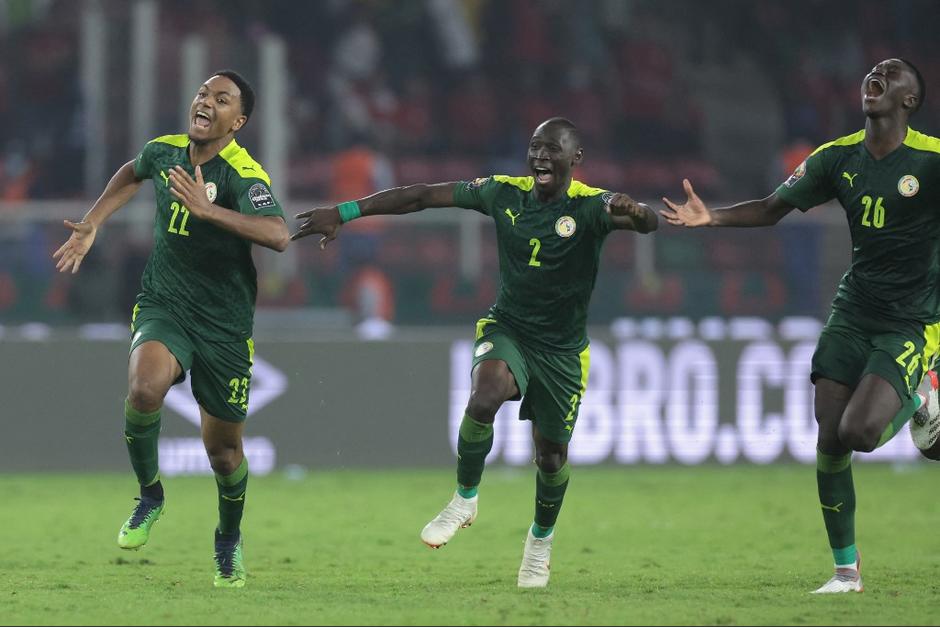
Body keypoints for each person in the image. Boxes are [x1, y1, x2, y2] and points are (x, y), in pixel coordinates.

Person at [293, 117, 658, 588]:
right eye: (534, 147)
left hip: (563, 350)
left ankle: (539, 543)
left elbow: (646, 223)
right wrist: (344, 212)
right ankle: (465, 499)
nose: (541, 156)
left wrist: (637, 209)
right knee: (484, 397)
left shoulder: (591, 206)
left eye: (553, 149)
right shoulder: (503, 192)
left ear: (576, 159)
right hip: (508, 327)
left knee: (550, 457)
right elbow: (422, 196)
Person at [660, 58, 940, 594]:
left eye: (892, 72)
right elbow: (771, 208)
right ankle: (845, 571)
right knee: (830, 435)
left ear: (909, 100)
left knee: (860, 432)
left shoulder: (930, 160)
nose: (876, 73)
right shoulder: (837, 157)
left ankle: (925, 388)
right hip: (854, 309)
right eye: (873, 70)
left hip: (911, 319)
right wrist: (711, 216)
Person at [53, 70, 289, 588]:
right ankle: (150, 495)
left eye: (221, 99)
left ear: (238, 121)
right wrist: (95, 219)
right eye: (204, 93)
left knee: (223, 454)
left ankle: (228, 541)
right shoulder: (165, 151)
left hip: (224, 326)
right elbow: (131, 172)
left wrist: (209, 211)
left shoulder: (243, 174)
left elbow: (278, 234)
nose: (206, 101)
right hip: (164, 302)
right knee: (144, 388)